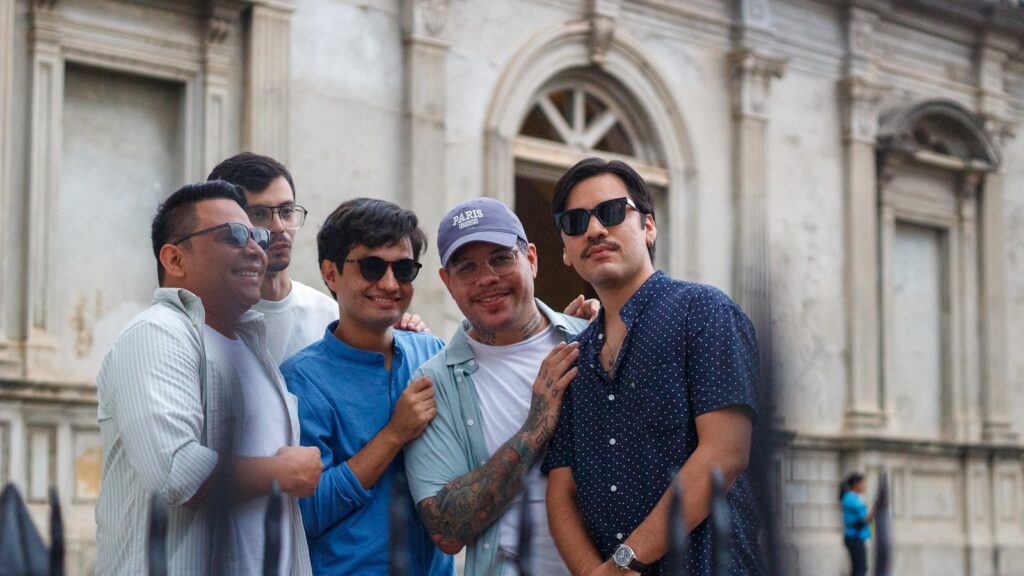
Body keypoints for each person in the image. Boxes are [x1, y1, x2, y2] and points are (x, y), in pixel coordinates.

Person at [543, 158, 764, 576]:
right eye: (575, 222)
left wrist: (624, 564)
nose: (594, 230)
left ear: (648, 227)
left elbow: (725, 452)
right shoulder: (574, 354)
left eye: (611, 212)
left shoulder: (704, 312)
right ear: (566, 251)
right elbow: (561, 490)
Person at [95, 181, 322, 575]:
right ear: (175, 259)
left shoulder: (253, 350)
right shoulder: (158, 332)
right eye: (234, 236)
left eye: (257, 235)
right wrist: (283, 473)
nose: (255, 249)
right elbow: (175, 472)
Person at [404, 198, 590, 576]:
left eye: (501, 258)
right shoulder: (434, 382)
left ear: (531, 259)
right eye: (466, 266)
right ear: (447, 281)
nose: (486, 278)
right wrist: (536, 425)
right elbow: (446, 530)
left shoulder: (591, 342)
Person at [279, 198, 454, 576]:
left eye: (403, 269)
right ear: (331, 273)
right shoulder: (300, 381)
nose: (390, 284)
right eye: (372, 267)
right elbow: (304, 515)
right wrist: (394, 434)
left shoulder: (432, 353)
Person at [207, 153, 426, 364]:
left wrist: (402, 339)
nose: (279, 227)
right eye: (259, 214)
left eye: (286, 211)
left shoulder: (330, 314)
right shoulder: (207, 320)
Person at [840, 472, 874, 576]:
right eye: (862, 483)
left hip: (856, 537)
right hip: (854, 537)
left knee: (859, 568)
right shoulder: (851, 498)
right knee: (860, 569)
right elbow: (864, 518)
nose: (864, 486)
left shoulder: (853, 497)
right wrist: (876, 509)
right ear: (856, 484)